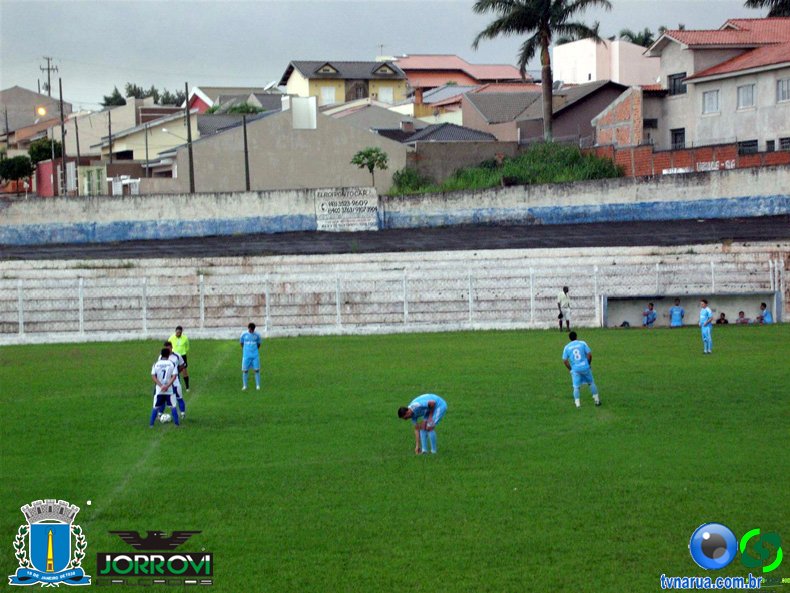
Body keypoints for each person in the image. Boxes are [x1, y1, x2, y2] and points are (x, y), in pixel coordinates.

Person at [562, 332, 601, 409]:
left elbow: (565, 360)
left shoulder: (567, 347)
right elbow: (589, 354)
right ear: (576, 336)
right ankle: (597, 401)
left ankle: (578, 404)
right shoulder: (582, 343)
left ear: (569, 338)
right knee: (591, 383)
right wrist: (588, 364)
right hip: (585, 367)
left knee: (576, 387)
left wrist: (571, 369)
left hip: (575, 369)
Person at [150, 348, 179, 427]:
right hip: (169, 390)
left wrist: (161, 386)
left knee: (155, 407)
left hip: (159, 390)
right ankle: (176, 424)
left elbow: (153, 376)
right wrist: (167, 386)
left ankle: (151, 425)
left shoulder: (156, 364)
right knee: (173, 406)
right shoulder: (172, 363)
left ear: (161, 354)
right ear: (168, 355)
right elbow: (174, 376)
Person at [164, 341, 187, 419]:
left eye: (168, 348)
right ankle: (160, 414)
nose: (167, 350)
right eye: (166, 348)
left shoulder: (177, 356)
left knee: (179, 397)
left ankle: (182, 413)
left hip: (175, 381)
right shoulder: (161, 356)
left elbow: (182, 365)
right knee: (163, 398)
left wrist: (177, 372)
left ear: (171, 347)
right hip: (165, 381)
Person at [240, 322, 262, 391]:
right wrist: (246, 350)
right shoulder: (244, 334)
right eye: (250, 330)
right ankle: (245, 386)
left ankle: (258, 386)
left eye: (253, 330)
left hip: (255, 355)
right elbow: (241, 343)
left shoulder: (257, 335)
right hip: (246, 356)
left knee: (256, 370)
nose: (251, 331)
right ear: (248, 328)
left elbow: (259, 344)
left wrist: (254, 350)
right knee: (245, 370)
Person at [168, 326, 190, 391]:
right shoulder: (171, 338)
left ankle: (187, 387)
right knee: (172, 369)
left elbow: (187, 347)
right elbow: (168, 346)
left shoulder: (185, 338)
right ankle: (171, 385)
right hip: (174, 356)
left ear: (181, 332)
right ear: (175, 331)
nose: (178, 334)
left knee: (184, 370)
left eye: (180, 333)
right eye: (177, 332)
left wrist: (183, 351)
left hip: (182, 355)